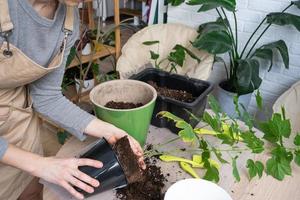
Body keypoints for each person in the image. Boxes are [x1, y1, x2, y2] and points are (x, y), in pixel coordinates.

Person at [0, 0, 145, 199]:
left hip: (19, 123)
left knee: (30, 191)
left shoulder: (68, 21)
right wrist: (39, 165)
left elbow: (47, 97)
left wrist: (110, 131)